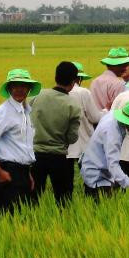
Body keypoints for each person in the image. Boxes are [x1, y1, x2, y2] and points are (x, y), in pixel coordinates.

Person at [0, 68, 41, 214]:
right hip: (8, 171)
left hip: (23, 172)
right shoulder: (3, 112)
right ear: (9, 88)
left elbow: (23, 146)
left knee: (28, 217)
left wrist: (28, 174)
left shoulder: (26, 112)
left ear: (29, 89)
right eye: (15, 85)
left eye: (24, 85)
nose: (19, 89)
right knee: (10, 218)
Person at [30, 61, 82, 207]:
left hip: (35, 155)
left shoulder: (37, 96)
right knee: (63, 199)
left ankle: (28, 224)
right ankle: (63, 225)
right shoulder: (73, 105)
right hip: (59, 157)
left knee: (33, 196)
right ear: (73, 82)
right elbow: (72, 138)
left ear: (55, 77)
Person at [79, 104, 129, 200]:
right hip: (96, 175)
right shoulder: (112, 134)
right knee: (100, 209)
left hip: (94, 164)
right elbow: (113, 165)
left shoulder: (113, 115)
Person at [66, 62, 103, 166]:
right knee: (87, 174)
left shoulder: (58, 92)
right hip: (83, 143)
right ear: (79, 79)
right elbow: (94, 118)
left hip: (63, 145)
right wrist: (105, 112)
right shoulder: (83, 92)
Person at [90, 47, 129, 112]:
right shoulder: (118, 84)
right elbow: (120, 109)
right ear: (118, 65)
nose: (124, 68)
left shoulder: (94, 81)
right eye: (124, 65)